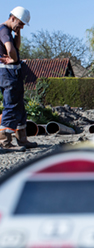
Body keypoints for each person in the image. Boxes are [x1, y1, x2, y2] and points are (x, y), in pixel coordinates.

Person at [0, 6, 36, 151]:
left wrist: (18, 33)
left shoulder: (10, 31)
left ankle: (22, 139)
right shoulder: (3, 30)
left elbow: (17, 47)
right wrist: (13, 60)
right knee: (11, 106)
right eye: (20, 23)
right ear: (12, 18)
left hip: (12, 73)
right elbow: (11, 49)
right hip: (8, 74)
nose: (21, 26)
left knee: (19, 105)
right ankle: (5, 142)